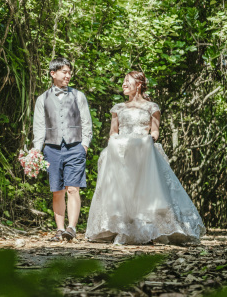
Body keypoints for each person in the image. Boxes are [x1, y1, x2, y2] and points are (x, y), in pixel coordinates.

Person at [85, 72, 206, 245]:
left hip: (144, 149)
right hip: (121, 151)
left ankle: (151, 226)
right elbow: (113, 132)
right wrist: (116, 141)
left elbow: (154, 132)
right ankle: (120, 227)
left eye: (127, 81)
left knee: (149, 188)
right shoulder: (118, 108)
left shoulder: (152, 107)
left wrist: (148, 141)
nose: (123, 84)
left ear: (139, 84)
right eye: (123, 81)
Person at [32, 57, 93, 242]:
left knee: (73, 188)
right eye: (64, 72)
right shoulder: (42, 99)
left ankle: (71, 228)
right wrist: (36, 150)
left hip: (75, 146)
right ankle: (59, 230)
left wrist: (85, 145)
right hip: (52, 148)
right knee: (57, 190)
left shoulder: (78, 96)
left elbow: (86, 123)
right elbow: (39, 127)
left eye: (69, 72)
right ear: (53, 73)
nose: (68, 75)